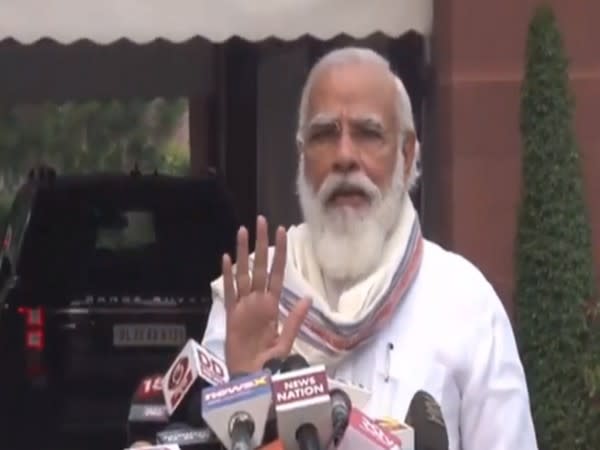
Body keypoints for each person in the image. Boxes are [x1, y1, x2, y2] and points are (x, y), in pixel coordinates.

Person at [201, 47, 539, 449]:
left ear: (407, 152)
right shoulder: (253, 294)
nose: (345, 157)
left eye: (368, 133)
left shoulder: (465, 303)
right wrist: (244, 389)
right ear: (301, 155)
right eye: (325, 134)